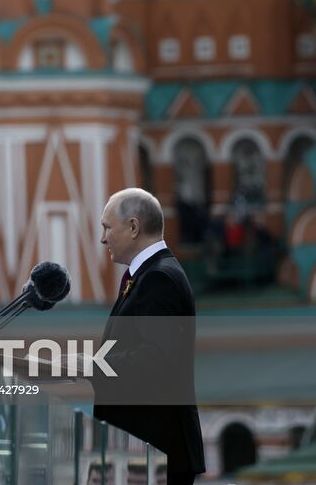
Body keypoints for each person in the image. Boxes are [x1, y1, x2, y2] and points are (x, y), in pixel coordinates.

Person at [94, 188, 205, 485]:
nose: (103, 238)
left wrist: (90, 366)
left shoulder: (158, 278)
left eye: (107, 227)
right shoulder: (147, 275)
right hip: (146, 452)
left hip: (155, 453)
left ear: (133, 227)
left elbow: (156, 359)